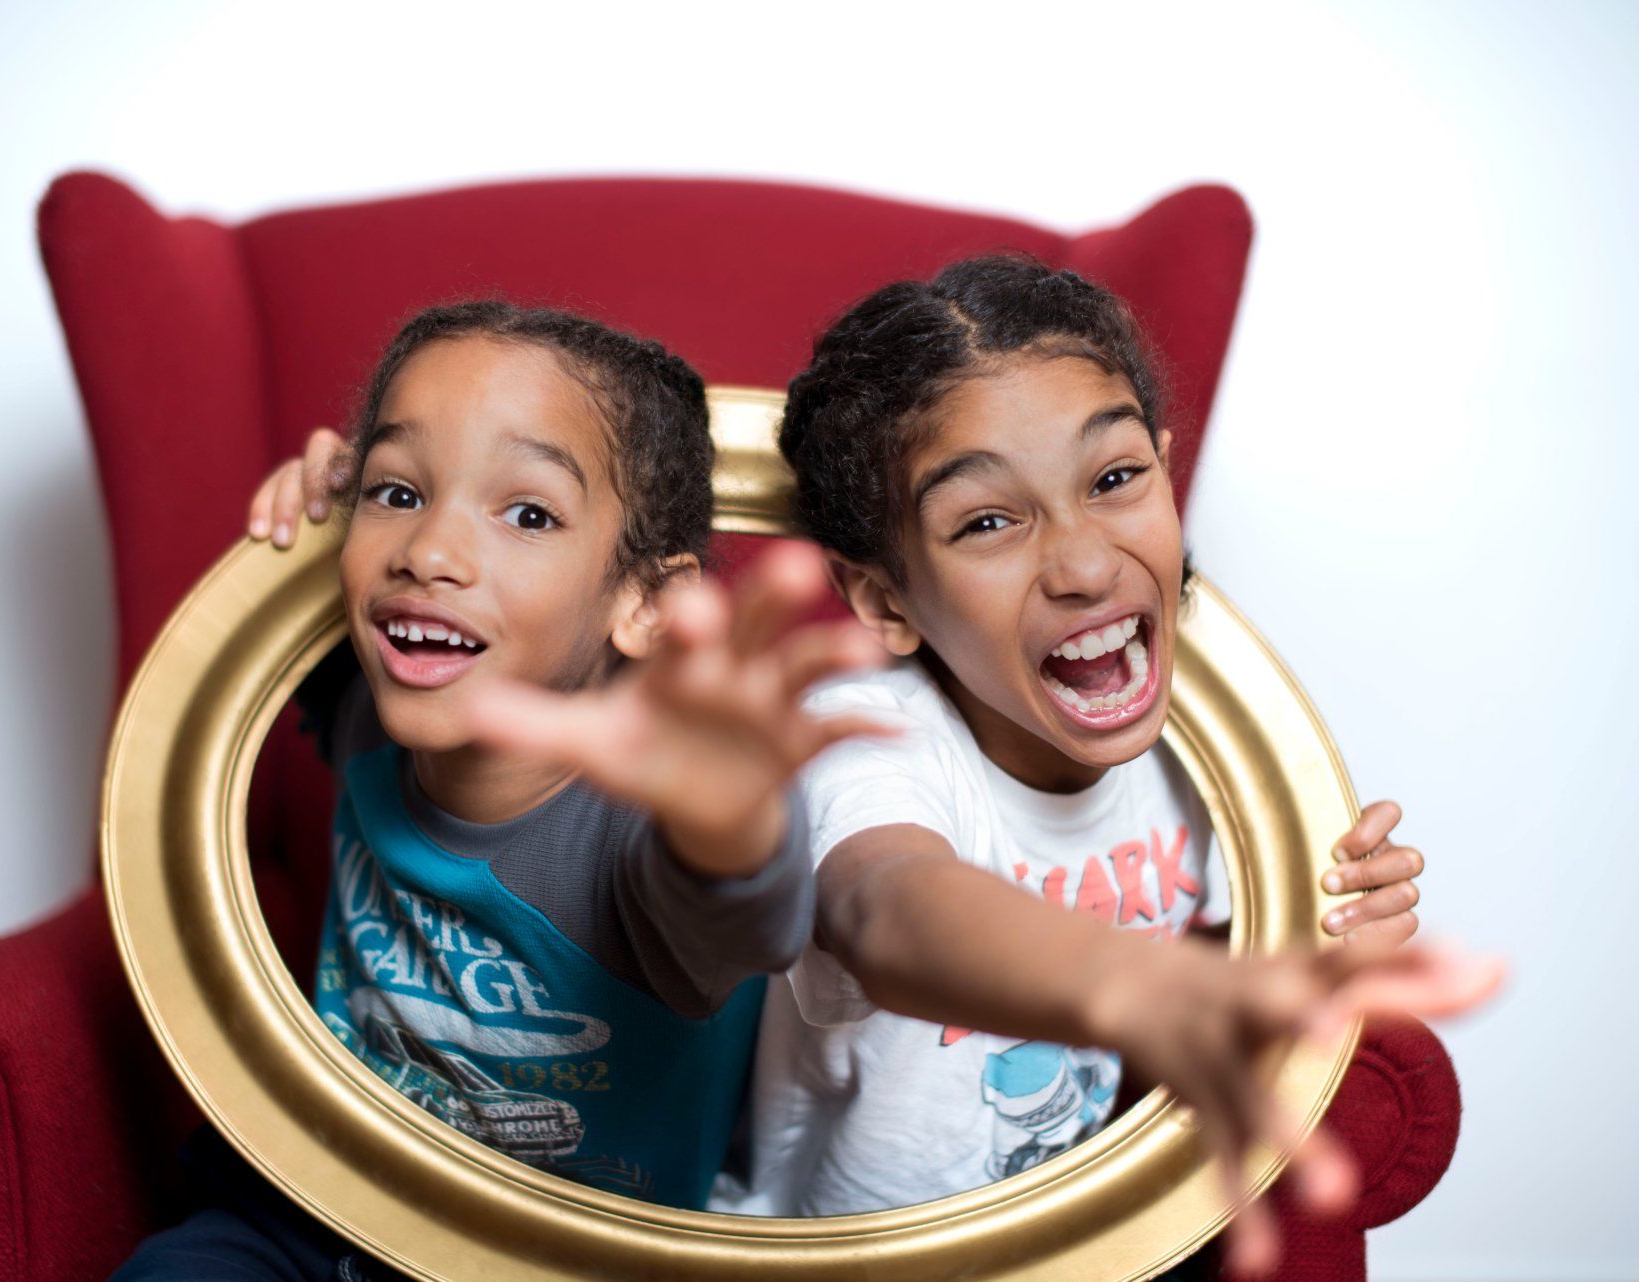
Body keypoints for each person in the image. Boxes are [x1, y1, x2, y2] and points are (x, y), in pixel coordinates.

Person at [473, 258, 1497, 1276]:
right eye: (987, 522)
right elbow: (887, 906)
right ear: (884, 602)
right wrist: (1128, 981)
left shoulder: (1212, 748)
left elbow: (1228, 934)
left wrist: (1316, 937)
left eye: (1114, 479)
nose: (1086, 564)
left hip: (1078, 1236)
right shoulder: (860, 738)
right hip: (847, 1258)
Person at [112, 300, 887, 1282]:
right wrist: (301, 534)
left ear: (643, 600)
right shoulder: (365, 706)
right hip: (305, 1208)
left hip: (558, 1256)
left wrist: (730, 817)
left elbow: (744, 920)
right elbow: (258, 650)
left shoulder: (645, 827)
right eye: (398, 491)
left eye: (527, 512)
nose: (429, 549)